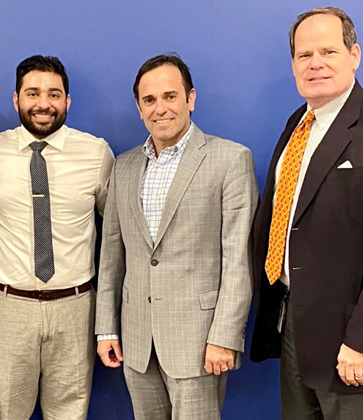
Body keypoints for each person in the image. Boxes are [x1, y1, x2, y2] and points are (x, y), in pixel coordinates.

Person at [249, 7, 363, 419]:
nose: (315, 63)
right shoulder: (298, 125)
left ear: (355, 55)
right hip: (294, 328)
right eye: (303, 54)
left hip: (358, 346)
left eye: (328, 51)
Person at [94, 53, 257, 419]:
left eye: (170, 96)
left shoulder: (230, 159)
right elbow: (111, 257)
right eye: (149, 100)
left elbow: (238, 260)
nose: (160, 109)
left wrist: (225, 336)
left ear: (191, 98)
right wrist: (106, 328)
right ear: (138, 108)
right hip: (136, 342)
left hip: (199, 342)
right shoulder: (124, 165)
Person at [0, 55, 114, 419]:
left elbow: (115, 231)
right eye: (32, 92)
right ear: (16, 99)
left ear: (68, 101)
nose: (43, 104)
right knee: (5, 413)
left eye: (54, 94)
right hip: (8, 309)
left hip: (76, 308)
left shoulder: (96, 153)